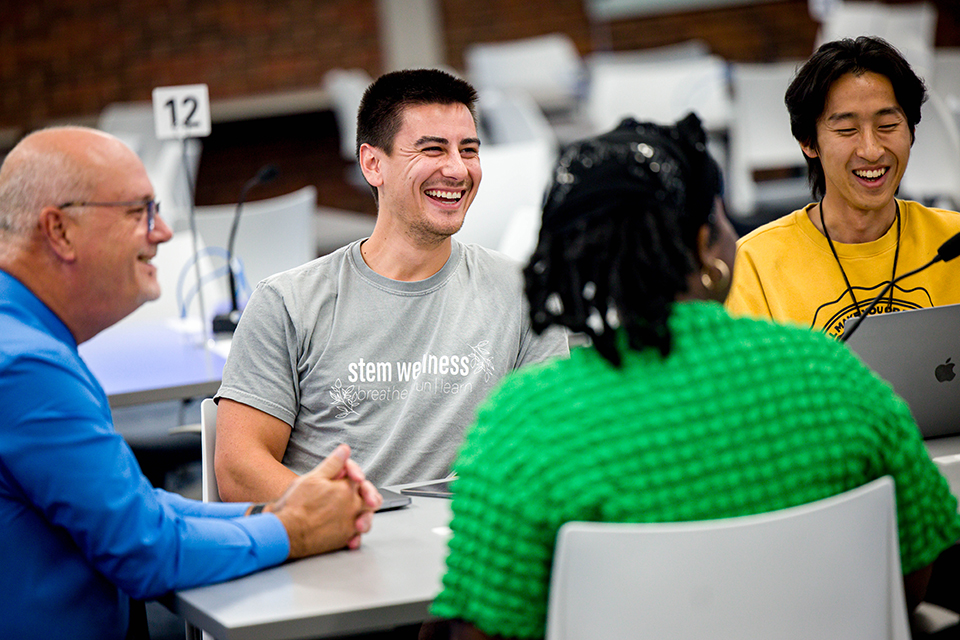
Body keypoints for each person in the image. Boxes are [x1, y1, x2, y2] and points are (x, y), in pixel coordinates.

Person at [429, 114, 960, 639]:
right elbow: (911, 577)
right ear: (708, 244)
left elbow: (483, 630)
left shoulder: (526, 424)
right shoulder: (833, 377)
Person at [0, 126, 382, 640]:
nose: (162, 233)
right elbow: (144, 551)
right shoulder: (27, 366)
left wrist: (268, 512)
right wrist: (296, 530)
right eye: (139, 213)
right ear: (60, 231)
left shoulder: (20, 339)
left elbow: (134, 507)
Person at [214, 68, 568, 499]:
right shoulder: (289, 302)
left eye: (469, 150)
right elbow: (238, 470)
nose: (457, 169)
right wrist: (353, 514)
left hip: (479, 543)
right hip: (341, 548)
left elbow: (553, 446)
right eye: (433, 150)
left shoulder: (524, 292)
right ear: (372, 164)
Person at [726, 36, 960, 338]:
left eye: (887, 126)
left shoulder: (953, 243)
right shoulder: (755, 264)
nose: (871, 150)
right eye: (847, 130)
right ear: (808, 142)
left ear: (912, 131)